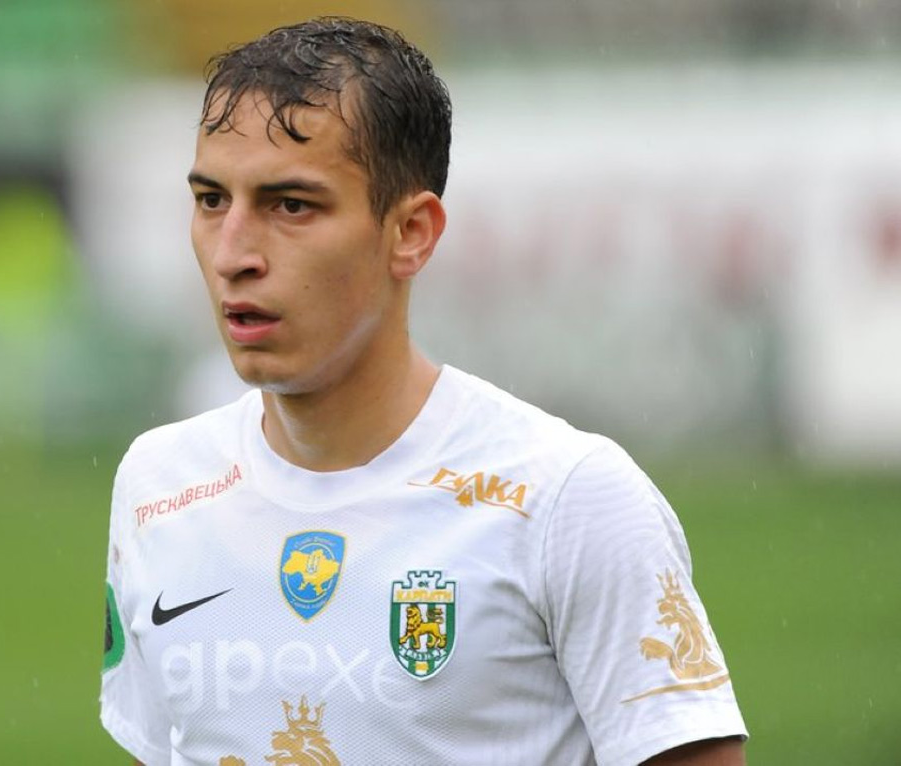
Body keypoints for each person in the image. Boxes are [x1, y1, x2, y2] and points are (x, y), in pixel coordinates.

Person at [101, 17, 747, 766]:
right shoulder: (159, 487)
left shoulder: (568, 499)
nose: (232, 253)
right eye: (212, 200)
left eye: (291, 205)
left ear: (411, 233)